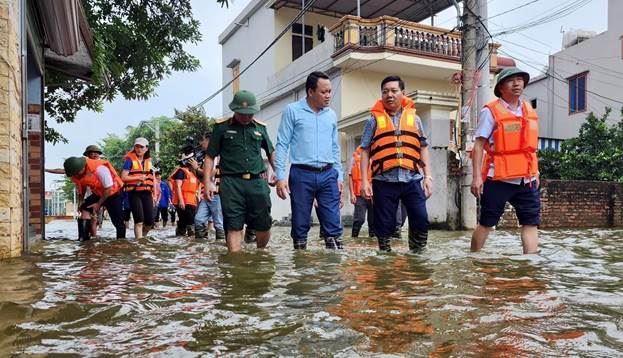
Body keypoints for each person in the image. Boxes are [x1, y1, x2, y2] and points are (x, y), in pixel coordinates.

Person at [470, 67, 540, 254]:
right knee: (486, 222)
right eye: (511, 80)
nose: (517, 83)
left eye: (520, 79)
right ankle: (474, 258)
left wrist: (536, 172)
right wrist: (477, 178)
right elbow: (478, 146)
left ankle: (530, 265)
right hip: (498, 178)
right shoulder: (491, 111)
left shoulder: (528, 109)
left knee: (531, 222)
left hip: (527, 180)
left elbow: (530, 147)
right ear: (501, 87)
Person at [360, 75, 433, 253]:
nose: (389, 95)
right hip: (384, 180)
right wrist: (364, 181)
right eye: (385, 92)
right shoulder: (373, 121)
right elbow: (365, 150)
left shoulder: (415, 119)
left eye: (394, 91)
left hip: (412, 179)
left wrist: (428, 176)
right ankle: (385, 256)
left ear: (403, 93)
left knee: (421, 218)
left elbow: (422, 147)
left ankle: (417, 254)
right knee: (384, 224)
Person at [275, 71, 344, 250]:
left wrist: (339, 176)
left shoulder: (331, 115)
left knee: (334, 227)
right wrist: (280, 177)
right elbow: (282, 144)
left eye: (329, 91)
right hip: (301, 174)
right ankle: (301, 268)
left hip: (328, 174)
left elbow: (335, 147)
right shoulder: (292, 111)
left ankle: (333, 271)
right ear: (310, 92)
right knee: (300, 224)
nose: (328, 95)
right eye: (324, 92)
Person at [204, 90, 277, 253]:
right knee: (233, 225)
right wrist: (208, 182)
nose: (246, 117)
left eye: (250, 113)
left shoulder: (260, 128)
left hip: (257, 182)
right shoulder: (221, 128)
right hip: (231, 183)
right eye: (242, 114)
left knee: (264, 223)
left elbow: (271, 151)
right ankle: (237, 265)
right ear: (234, 110)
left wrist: (278, 173)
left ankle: (260, 255)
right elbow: (210, 156)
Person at [63, 156, 126, 240]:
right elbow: (82, 185)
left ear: (82, 168)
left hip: (113, 193)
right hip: (99, 193)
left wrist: (98, 204)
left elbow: (108, 189)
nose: (75, 175)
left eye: (76, 173)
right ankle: (84, 241)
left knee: (118, 222)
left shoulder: (100, 169)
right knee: (84, 207)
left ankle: (120, 244)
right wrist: (81, 201)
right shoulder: (78, 174)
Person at [192, 132, 225, 240]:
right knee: (198, 220)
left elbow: (213, 172)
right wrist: (195, 169)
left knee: (219, 224)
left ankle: (222, 248)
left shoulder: (219, 156)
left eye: (203, 140)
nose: (202, 143)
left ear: (209, 141)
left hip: (217, 194)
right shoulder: (205, 157)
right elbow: (202, 178)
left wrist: (197, 169)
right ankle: (202, 248)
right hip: (206, 194)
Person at [121, 137, 155, 239]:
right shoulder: (129, 161)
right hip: (134, 192)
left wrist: (155, 194)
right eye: (137, 147)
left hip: (147, 193)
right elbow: (123, 177)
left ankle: (142, 237)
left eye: (141, 147)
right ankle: (139, 242)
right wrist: (138, 177)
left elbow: (152, 179)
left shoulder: (149, 162)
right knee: (139, 220)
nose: (139, 149)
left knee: (150, 222)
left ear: (146, 148)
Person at [169, 153, 200, 236]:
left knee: (188, 220)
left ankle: (186, 238)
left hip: (192, 202)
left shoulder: (193, 173)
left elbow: (197, 187)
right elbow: (178, 187)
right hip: (183, 201)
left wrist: (198, 197)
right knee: (188, 221)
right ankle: (185, 237)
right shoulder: (181, 171)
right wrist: (181, 201)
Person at [349, 146, 375, 238]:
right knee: (359, 219)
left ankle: (372, 241)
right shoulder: (354, 157)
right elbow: (350, 176)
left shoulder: (376, 154)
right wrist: (352, 193)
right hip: (359, 194)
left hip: (373, 194)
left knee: (373, 221)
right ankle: (354, 238)